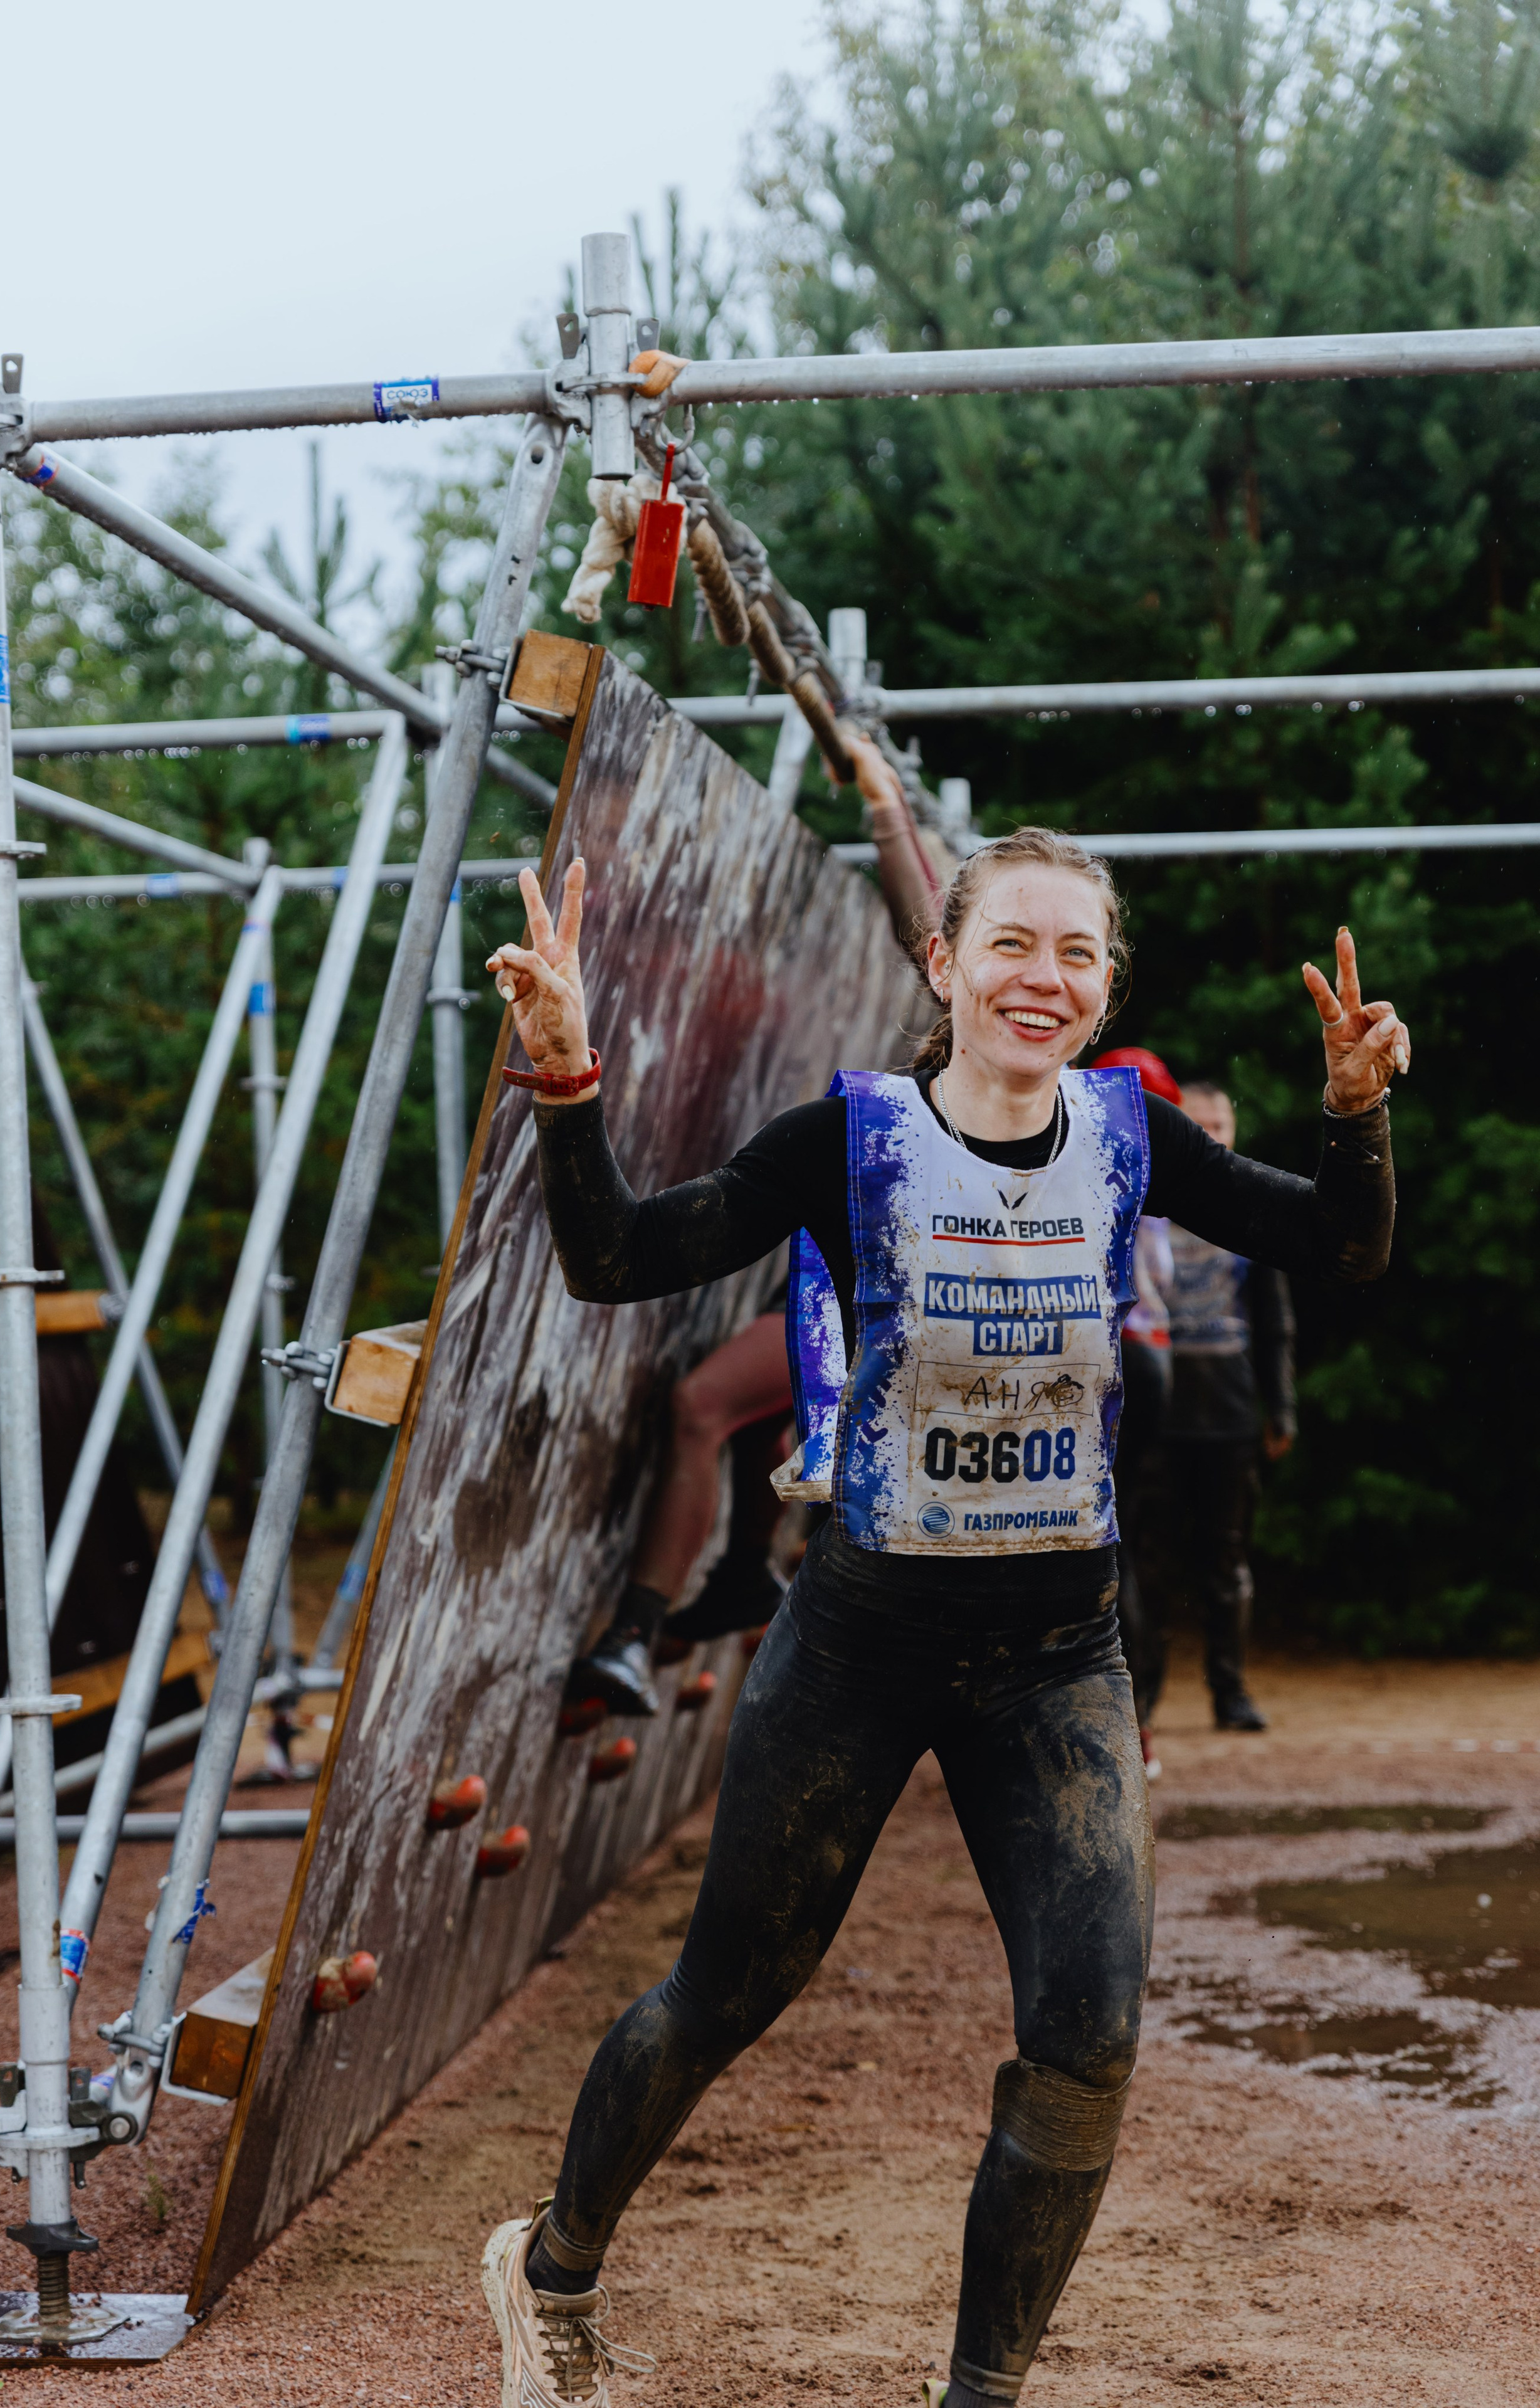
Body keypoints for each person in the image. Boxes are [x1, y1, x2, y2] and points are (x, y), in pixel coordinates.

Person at [478, 748, 1401, 2408]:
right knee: (725, 1996)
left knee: (1091, 2033)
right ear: (946, 963)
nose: (1045, 980)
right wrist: (563, 1084)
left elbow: (1340, 1244)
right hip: (860, 1645)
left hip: (1059, 1653)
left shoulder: (1134, 1133)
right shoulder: (853, 1138)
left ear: (1106, 986)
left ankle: (980, 2393)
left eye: (1078, 955)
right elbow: (622, 1256)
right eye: (1014, 944)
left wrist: (1356, 1114)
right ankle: (551, 2268)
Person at [571, 737, 951, 1716]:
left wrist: (881, 805)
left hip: (886, 1292)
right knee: (745, 1421)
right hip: (846, 1268)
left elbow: (928, 926)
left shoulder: (981, 1031)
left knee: (703, 1404)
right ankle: (743, 1571)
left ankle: (633, 1633)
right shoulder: (950, 1071)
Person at [1155, 1079, 1299, 1733]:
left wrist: (1282, 1408)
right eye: (1199, 1124)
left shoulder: (1251, 1213)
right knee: (1146, 1562)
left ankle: (1230, 1693)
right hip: (1153, 1413)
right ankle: (1139, 1701)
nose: (1212, 1135)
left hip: (1232, 1412)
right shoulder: (1146, 1205)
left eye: (1222, 1124)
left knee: (1226, 1561)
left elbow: (1274, 1322)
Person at [1089, 1046, 1183, 1778]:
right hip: (1147, 1359)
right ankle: (1134, 1723)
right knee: (1125, 1541)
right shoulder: (1158, 1176)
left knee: (1102, 1544)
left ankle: (1127, 1725)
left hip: (1110, 1360)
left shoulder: (1092, 1164)